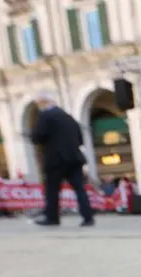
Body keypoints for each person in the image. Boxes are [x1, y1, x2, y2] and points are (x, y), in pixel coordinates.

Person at [29, 90, 94, 227]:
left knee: (52, 190)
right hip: (74, 158)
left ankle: (52, 218)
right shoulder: (69, 117)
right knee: (79, 189)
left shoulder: (46, 116)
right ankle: (88, 217)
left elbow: (37, 137)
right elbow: (80, 139)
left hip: (55, 159)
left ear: (43, 102)